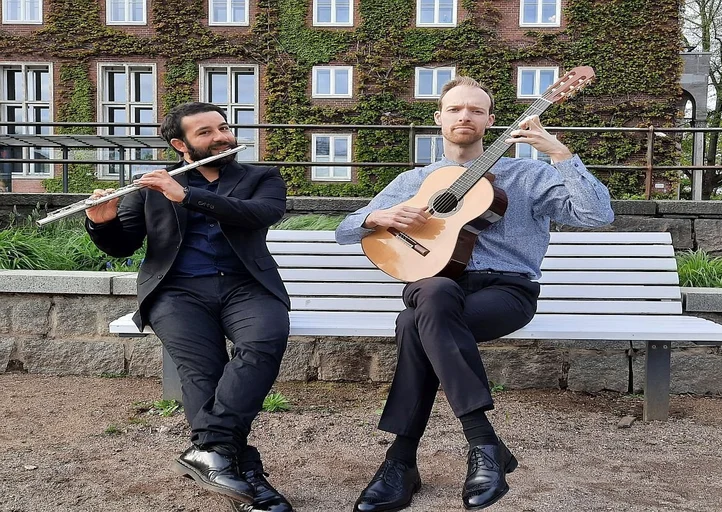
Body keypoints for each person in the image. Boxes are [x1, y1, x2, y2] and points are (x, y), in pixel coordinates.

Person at [335, 76, 614, 511]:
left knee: (416, 321)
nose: (465, 116)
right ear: (439, 118)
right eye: (455, 109)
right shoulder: (417, 179)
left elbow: (596, 215)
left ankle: (400, 462)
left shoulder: (529, 174)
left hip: (505, 291)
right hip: (435, 285)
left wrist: (560, 154)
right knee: (433, 296)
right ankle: (483, 443)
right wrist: (379, 215)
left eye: (476, 110)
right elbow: (345, 230)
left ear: (491, 120)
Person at [85, 102, 293, 512]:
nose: (222, 137)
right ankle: (241, 467)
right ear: (180, 144)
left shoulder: (260, 177)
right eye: (206, 133)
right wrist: (101, 220)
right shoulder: (149, 186)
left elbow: (260, 215)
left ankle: (211, 451)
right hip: (177, 291)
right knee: (203, 370)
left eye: (224, 127)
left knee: (264, 343)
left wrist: (187, 196)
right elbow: (122, 245)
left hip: (246, 286)